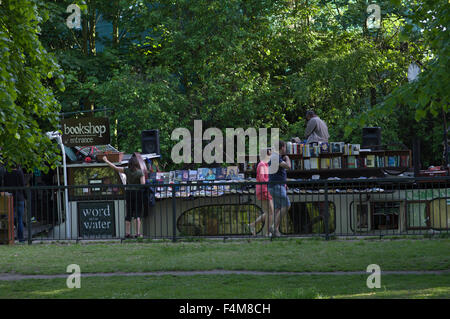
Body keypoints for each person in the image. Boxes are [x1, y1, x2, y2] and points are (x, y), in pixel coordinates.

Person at [103, 155, 145, 238]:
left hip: (128, 193)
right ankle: (137, 234)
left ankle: (127, 233)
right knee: (137, 214)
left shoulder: (126, 170)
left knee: (128, 213)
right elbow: (143, 183)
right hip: (138, 193)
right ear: (137, 164)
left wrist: (106, 161)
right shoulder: (140, 172)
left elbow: (115, 167)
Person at [247, 148, 274, 236]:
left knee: (269, 212)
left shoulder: (266, 164)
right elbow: (263, 179)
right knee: (270, 212)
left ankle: (252, 225)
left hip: (266, 189)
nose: (271, 156)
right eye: (269, 154)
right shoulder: (262, 165)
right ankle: (267, 233)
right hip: (264, 189)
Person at [268, 141, 291, 237]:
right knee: (287, 205)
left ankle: (275, 231)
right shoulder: (276, 157)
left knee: (278, 209)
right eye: (285, 147)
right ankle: (273, 227)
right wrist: (288, 158)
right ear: (282, 148)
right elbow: (288, 167)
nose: (285, 149)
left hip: (275, 186)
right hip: (277, 186)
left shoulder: (275, 157)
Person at [3, 164, 27, 243]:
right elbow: (23, 185)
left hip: (10, 197)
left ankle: (11, 238)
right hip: (19, 197)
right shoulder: (19, 173)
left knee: (11, 218)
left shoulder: (6, 173)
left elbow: (5, 185)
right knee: (20, 219)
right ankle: (21, 238)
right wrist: (26, 196)